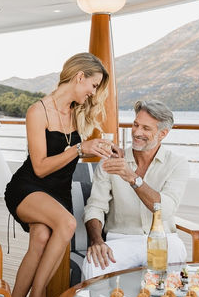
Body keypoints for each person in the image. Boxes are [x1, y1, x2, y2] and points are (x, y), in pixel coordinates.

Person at [5, 53, 112, 297]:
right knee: (66, 223)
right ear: (79, 77)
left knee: (40, 237)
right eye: (92, 85)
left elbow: (79, 151)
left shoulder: (79, 111)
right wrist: (80, 148)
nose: (93, 92)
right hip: (29, 187)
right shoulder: (37, 111)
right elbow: (39, 167)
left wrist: (99, 148)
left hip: (58, 192)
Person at [81, 100, 189, 281]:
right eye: (136, 125)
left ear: (163, 133)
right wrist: (97, 241)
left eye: (146, 128)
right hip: (122, 239)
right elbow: (95, 207)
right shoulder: (110, 161)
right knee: (93, 264)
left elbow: (165, 209)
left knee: (176, 255)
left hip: (164, 240)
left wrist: (133, 178)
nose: (137, 132)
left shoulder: (177, 164)